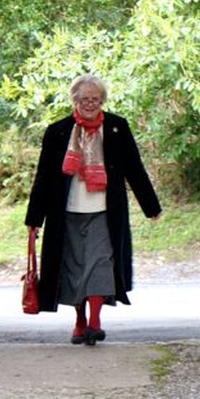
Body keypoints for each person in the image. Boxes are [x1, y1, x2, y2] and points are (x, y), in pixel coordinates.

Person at [25, 73, 162, 345]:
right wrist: (34, 218)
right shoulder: (58, 131)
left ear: (102, 100)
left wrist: (151, 206)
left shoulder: (116, 128)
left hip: (104, 211)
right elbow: (44, 177)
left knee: (101, 262)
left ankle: (96, 321)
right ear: (75, 100)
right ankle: (80, 321)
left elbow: (134, 169)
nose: (90, 104)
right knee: (75, 268)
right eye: (84, 99)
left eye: (95, 99)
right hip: (67, 213)